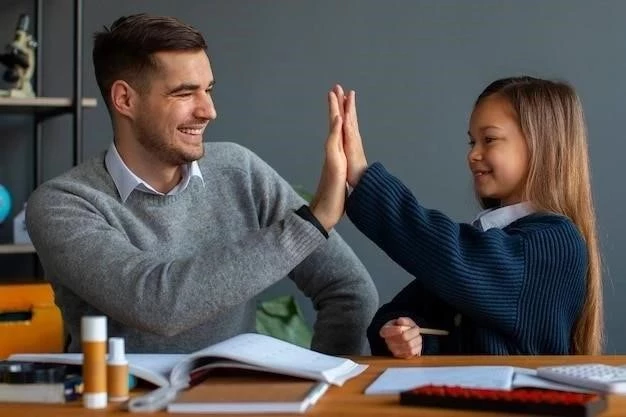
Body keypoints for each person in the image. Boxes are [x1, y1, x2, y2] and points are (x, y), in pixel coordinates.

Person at [25, 14, 378, 355]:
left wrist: (328, 382)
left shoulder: (240, 170)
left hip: (235, 403)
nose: (208, 110)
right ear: (125, 100)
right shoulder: (62, 204)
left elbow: (350, 289)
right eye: (184, 93)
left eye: (207, 89)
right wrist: (311, 225)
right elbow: (156, 305)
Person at [318, 77, 602, 356]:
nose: (473, 154)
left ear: (542, 146)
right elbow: (411, 308)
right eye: (472, 142)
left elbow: (453, 257)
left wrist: (363, 177)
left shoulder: (556, 245)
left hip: (513, 402)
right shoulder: (489, 242)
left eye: (489, 139)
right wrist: (406, 333)